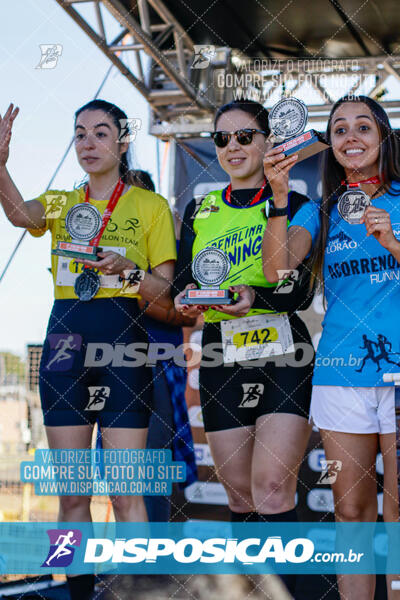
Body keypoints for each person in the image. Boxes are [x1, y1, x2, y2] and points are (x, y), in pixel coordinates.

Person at [0, 99, 177, 599]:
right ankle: (73, 591)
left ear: (122, 142)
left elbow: (167, 294)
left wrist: (127, 270)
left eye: (100, 133)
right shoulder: (60, 202)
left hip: (123, 349)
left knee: (126, 495)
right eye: (80, 134)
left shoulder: (151, 206)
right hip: (64, 351)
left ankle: (141, 592)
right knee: (72, 494)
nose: (88, 143)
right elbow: (19, 215)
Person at [173, 99, 315, 596]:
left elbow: (294, 288)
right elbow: (185, 283)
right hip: (219, 352)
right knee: (239, 495)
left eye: (245, 136)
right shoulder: (201, 208)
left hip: (281, 353)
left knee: (273, 491)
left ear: (267, 141)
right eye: (221, 139)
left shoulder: (298, 204)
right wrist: (189, 298)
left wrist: (254, 295)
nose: (233, 147)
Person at [262, 94, 400, 599]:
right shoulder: (320, 208)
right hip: (342, 373)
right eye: (339, 129)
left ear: (383, 137)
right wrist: (279, 195)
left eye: (364, 126)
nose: (351, 136)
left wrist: (394, 246)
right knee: (351, 512)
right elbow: (276, 271)